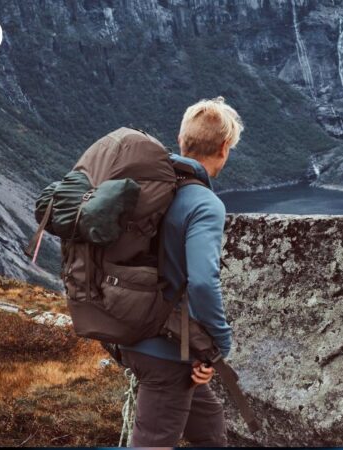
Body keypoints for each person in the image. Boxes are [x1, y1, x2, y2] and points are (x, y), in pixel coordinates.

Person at [119, 96, 243, 447]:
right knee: (154, 440)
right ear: (224, 148)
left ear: (180, 140)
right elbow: (203, 282)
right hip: (164, 350)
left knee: (208, 423)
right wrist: (219, 344)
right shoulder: (204, 204)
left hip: (130, 331)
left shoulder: (145, 187)